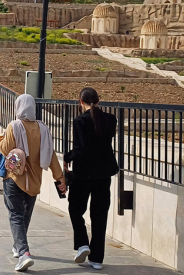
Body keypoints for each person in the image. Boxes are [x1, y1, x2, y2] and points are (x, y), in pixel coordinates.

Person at [0, 94, 66, 272]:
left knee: (15, 215)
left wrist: (1, 138)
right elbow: (50, 155)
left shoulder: (14, 126)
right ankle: (18, 247)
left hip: (15, 178)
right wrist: (59, 177)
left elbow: (5, 149)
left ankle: (23, 253)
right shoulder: (43, 128)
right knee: (25, 215)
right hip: (35, 180)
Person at [65, 87, 119, 271]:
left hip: (83, 174)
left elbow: (81, 149)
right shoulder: (111, 119)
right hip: (104, 175)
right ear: (98, 100)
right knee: (99, 215)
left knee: (75, 209)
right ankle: (97, 259)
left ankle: (82, 244)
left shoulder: (80, 121)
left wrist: (66, 157)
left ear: (80, 101)